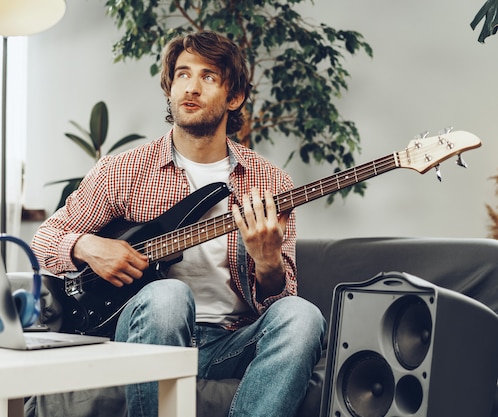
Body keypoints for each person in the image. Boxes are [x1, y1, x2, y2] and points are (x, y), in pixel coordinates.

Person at [31, 30, 326, 417]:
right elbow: (44, 239)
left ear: (233, 97)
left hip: (230, 342)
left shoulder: (270, 183)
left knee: (304, 316)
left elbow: (278, 301)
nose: (191, 87)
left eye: (208, 77)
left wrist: (268, 260)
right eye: (183, 75)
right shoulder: (124, 170)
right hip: (146, 332)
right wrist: (87, 246)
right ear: (170, 88)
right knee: (169, 296)